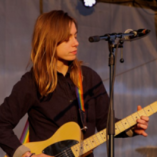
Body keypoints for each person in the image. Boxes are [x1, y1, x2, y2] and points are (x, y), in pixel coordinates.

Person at [0, 10, 149, 157]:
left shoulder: (89, 78)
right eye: (67, 38)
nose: (76, 43)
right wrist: (28, 155)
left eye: (76, 36)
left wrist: (132, 127)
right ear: (49, 40)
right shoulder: (31, 83)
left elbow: (105, 124)